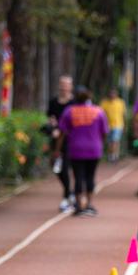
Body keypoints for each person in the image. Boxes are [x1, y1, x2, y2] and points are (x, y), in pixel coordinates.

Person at [57, 86, 108, 217]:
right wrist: (99, 143)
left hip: (76, 149)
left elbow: (62, 132)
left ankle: (79, 205)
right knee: (90, 176)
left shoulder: (69, 111)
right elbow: (104, 132)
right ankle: (89, 204)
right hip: (94, 149)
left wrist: (57, 150)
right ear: (89, 98)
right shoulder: (98, 111)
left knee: (78, 177)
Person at [46, 75, 76, 211]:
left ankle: (67, 197)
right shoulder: (53, 102)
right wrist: (52, 125)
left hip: (71, 140)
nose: (64, 88)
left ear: (71, 87)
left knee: (65, 168)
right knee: (56, 167)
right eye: (62, 85)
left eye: (66, 85)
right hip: (56, 138)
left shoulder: (74, 102)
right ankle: (69, 193)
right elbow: (50, 117)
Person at [99, 87, 126, 161]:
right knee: (109, 141)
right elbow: (101, 114)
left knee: (115, 140)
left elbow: (123, 114)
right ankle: (111, 154)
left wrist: (124, 125)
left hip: (118, 124)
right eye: (111, 93)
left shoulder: (120, 102)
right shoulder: (104, 103)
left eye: (114, 93)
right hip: (107, 125)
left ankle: (113, 155)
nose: (112, 95)